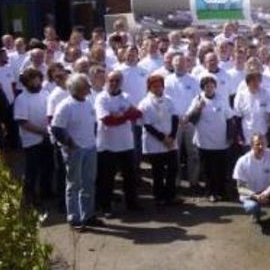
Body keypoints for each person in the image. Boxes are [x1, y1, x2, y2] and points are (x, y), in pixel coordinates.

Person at [50, 73, 100, 230]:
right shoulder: (65, 106)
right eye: (86, 86)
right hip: (75, 150)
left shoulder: (88, 103)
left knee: (89, 182)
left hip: (90, 148)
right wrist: (70, 144)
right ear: (78, 88)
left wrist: (93, 140)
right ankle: (74, 217)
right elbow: (56, 128)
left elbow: (93, 123)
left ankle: (88, 215)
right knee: (74, 184)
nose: (89, 88)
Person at [94, 70, 143, 216]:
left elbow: (138, 113)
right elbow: (108, 121)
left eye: (117, 80)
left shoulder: (126, 96)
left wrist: (120, 115)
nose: (114, 83)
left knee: (130, 176)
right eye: (111, 80)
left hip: (126, 143)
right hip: (107, 144)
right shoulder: (101, 98)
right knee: (107, 178)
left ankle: (132, 203)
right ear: (106, 81)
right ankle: (106, 207)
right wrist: (126, 115)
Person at [188, 75, 235, 202]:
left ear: (215, 87)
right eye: (206, 86)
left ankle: (222, 192)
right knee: (207, 169)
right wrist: (198, 108)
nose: (209, 88)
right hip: (204, 141)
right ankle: (210, 192)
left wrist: (230, 136)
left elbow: (230, 118)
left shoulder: (222, 99)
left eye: (211, 86)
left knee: (221, 168)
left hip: (221, 141)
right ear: (202, 88)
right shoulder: (197, 99)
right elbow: (191, 120)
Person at [234, 133, 270, 228]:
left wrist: (268, 191)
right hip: (252, 194)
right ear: (251, 145)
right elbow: (240, 188)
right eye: (257, 144)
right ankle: (256, 213)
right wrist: (256, 196)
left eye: (263, 144)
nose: (261, 147)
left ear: (267, 144)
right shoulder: (242, 161)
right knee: (251, 207)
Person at [139, 73, 180, 207]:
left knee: (173, 169)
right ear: (149, 87)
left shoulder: (169, 100)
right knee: (158, 171)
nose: (157, 88)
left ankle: (170, 195)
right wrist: (163, 138)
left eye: (160, 86)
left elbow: (175, 117)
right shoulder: (145, 103)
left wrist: (172, 136)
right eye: (154, 86)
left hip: (170, 140)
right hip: (155, 142)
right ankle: (159, 196)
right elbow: (147, 125)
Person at [15, 67, 52, 206]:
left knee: (48, 166)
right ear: (27, 82)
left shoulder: (46, 94)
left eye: (38, 79)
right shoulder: (22, 99)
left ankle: (45, 191)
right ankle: (30, 197)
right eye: (33, 80)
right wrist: (42, 131)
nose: (37, 82)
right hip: (31, 140)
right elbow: (23, 122)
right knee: (32, 170)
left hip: (47, 138)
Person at [164, 53, 200, 190]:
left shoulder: (194, 80)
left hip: (190, 121)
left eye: (182, 62)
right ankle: (176, 182)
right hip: (173, 122)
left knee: (193, 153)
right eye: (176, 62)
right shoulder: (167, 80)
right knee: (174, 153)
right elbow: (165, 101)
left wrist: (187, 116)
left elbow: (197, 100)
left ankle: (194, 181)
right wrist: (176, 117)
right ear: (172, 64)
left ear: (187, 64)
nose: (179, 65)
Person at [233, 71, 270, 150]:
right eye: (252, 80)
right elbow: (237, 118)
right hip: (247, 136)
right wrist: (239, 135)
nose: (255, 83)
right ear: (248, 82)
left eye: (258, 80)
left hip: (263, 135)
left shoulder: (267, 95)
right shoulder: (240, 96)